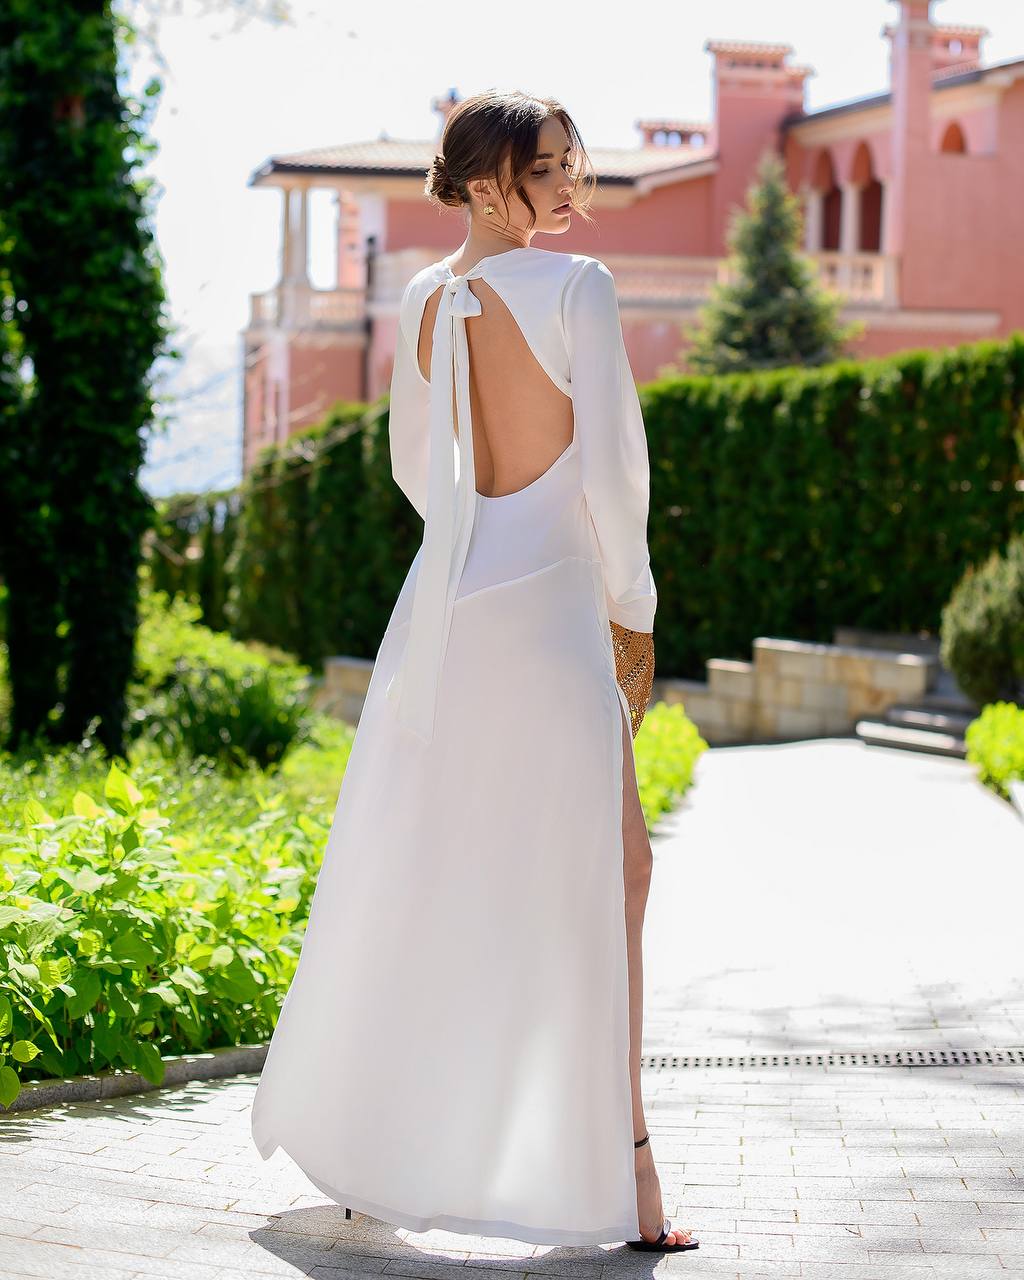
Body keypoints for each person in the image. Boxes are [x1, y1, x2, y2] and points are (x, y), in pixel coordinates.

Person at [250, 88, 698, 1255]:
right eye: (543, 171)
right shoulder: (578, 290)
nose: (564, 191)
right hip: (551, 604)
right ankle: (629, 1175)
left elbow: (415, 466)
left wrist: (472, 538)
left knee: (434, 865)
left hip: (452, 599)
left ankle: (379, 1139)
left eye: (567, 167)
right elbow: (610, 478)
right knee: (615, 875)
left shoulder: (426, 295)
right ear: (487, 179)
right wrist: (632, 614)